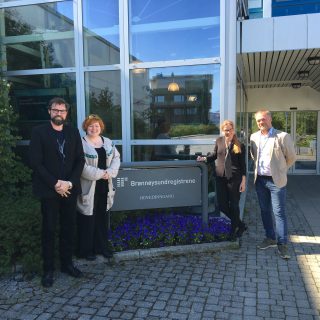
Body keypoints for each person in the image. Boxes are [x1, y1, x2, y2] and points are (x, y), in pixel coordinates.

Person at [29, 97, 85, 288]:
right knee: (49, 230)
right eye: (55, 110)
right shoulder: (39, 132)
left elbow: (80, 160)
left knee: (69, 228)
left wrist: (69, 183)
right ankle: (48, 270)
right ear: (49, 111)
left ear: (67, 113)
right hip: (49, 190)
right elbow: (36, 163)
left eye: (62, 111)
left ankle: (67, 264)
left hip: (69, 189)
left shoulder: (73, 132)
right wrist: (55, 184)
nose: (58, 113)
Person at [250, 110, 296, 259]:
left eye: (263, 119)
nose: (260, 123)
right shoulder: (254, 137)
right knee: (264, 210)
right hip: (260, 180)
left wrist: (281, 170)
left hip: (276, 181)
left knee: (279, 213)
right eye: (258, 121)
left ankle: (282, 244)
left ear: (270, 119)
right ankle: (270, 238)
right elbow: (253, 156)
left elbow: (291, 157)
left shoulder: (282, 136)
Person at [77, 114, 120, 261]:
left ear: (101, 127)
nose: (94, 128)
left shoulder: (107, 142)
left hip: (105, 186)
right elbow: (81, 166)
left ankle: (102, 247)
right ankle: (86, 251)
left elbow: (116, 158)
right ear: (85, 128)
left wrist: (110, 172)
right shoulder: (81, 143)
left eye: (97, 126)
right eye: (90, 126)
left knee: (102, 217)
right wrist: (101, 173)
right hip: (89, 187)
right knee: (88, 219)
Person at [197, 120, 247, 240]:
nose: (228, 132)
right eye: (226, 130)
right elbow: (214, 155)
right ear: (222, 130)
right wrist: (203, 158)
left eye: (230, 129)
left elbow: (243, 165)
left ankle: (233, 231)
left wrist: (243, 181)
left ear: (233, 130)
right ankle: (240, 225)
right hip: (220, 177)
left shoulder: (239, 144)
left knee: (234, 205)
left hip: (235, 178)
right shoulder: (219, 141)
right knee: (222, 206)